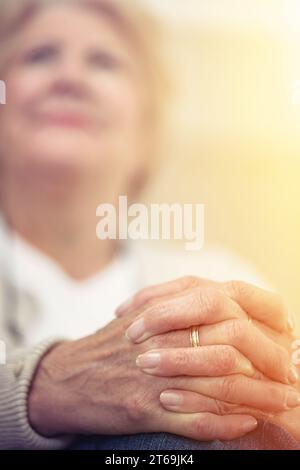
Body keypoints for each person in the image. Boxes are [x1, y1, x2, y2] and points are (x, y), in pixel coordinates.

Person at [0, 0, 299, 450]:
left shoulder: (221, 276)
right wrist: (43, 388)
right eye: (39, 55)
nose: (70, 77)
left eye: (105, 62)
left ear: (146, 129)